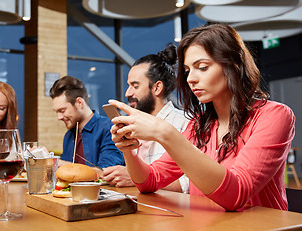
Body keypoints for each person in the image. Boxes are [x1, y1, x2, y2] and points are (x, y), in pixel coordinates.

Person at [108, 24, 295, 211]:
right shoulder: (199, 126)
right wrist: (129, 150)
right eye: (188, 71)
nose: (190, 79)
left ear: (233, 65)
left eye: (202, 67)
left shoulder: (274, 115)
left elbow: (237, 194)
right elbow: (149, 182)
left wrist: (165, 133)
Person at [103, 43, 189, 190]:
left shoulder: (184, 123)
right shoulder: (134, 127)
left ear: (157, 88)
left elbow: (189, 184)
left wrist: (136, 179)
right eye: (128, 85)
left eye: (135, 86)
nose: (127, 93)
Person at [49, 76, 125, 171]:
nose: (59, 117)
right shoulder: (68, 136)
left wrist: (57, 163)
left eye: (62, 110)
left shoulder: (109, 128)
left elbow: (107, 172)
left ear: (79, 103)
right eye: (57, 112)